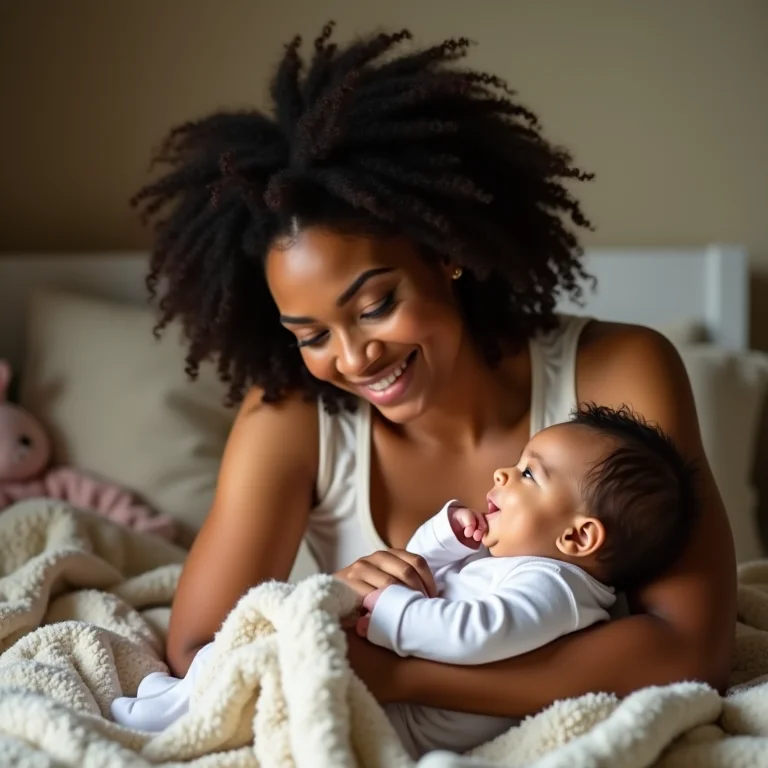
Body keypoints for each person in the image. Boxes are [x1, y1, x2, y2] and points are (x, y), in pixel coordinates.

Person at [130, 22, 736, 726]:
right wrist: (333, 596)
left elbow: (690, 654)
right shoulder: (292, 417)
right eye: (312, 335)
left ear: (443, 251)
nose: (355, 359)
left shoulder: (619, 368)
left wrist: (401, 675)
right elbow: (197, 647)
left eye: (377, 305)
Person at [111, 404, 699, 757]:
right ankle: (182, 699)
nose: (502, 471)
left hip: (419, 716)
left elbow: (472, 634)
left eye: (527, 473)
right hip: (404, 688)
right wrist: (444, 542)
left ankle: (169, 719)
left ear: (577, 538)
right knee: (267, 638)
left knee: (283, 661)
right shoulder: (512, 563)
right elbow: (413, 568)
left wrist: (388, 611)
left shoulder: (558, 591)